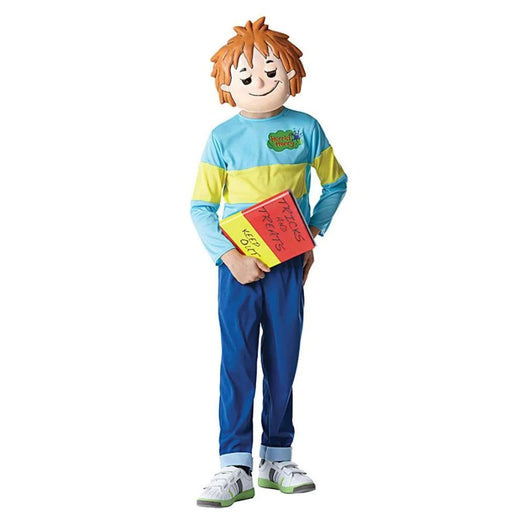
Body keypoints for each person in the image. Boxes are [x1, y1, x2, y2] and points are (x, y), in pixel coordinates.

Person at [190, 16, 348, 507]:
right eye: (246, 74)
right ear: (227, 82)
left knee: (283, 358)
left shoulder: (305, 128)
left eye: (270, 71)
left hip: (287, 265)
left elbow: (336, 182)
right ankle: (234, 464)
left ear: (290, 72)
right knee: (236, 359)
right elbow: (201, 207)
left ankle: (277, 456)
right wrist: (230, 257)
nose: (259, 81)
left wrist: (310, 233)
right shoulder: (222, 137)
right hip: (237, 267)